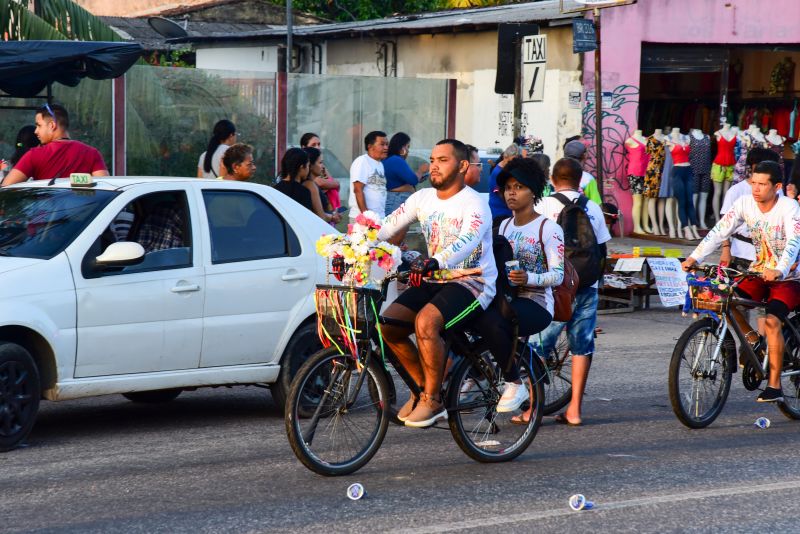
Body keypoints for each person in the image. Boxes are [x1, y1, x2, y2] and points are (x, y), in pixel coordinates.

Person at [378, 139, 497, 428]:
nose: (434, 164)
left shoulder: (475, 203)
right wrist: (351, 244)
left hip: (473, 282)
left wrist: (436, 260)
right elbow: (386, 227)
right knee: (388, 326)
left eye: (443, 160)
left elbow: (466, 241)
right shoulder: (422, 198)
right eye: (432, 159)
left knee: (426, 322)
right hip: (435, 278)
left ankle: (433, 400)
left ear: (462, 166)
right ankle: (421, 390)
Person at [682, 161, 800, 403]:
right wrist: (695, 256)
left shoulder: (789, 208)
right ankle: (754, 341)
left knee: (772, 320)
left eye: (762, 184)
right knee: (727, 301)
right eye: (753, 183)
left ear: (776, 186)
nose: (755, 189)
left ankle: (775, 385)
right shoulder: (745, 203)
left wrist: (779, 269)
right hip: (758, 271)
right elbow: (720, 230)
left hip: (789, 276)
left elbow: (794, 242)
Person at [472, 157, 564, 413]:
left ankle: (514, 382)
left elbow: (557, 275)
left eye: (518, 187)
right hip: (506, 298)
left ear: (533, 190)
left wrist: (529, 279)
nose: (511, 192)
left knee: (492, 321)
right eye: (508, 187)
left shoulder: (548, 228)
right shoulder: (504, 225)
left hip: (537, 303)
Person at [532, 157, 611, 426]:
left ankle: (532, 409)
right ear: (581, 181)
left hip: (554, 287)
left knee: (539, 346)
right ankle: (574, 410)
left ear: (553, 180)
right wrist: (593, 281)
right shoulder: (593, 208)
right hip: (586, 284)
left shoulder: (542, 205)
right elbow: (602, 251)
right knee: (582, 347)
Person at [2, 103, 108, 185]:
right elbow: (105, 186)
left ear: (52, 125)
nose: (36, 131)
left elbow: (6, 188)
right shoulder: (92, 154)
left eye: (39, 125)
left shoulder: (34, 155)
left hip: (46, 213)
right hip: (86, 213)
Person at [719, 148, 782, 272]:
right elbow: (724, 224)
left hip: (770, 256)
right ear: (754, 166)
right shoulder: (736, 191)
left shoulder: (776, 189)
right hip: (742, 253)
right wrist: (726, 250)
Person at [348, 130, 388, 220]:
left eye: (387, 144)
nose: (386, 148)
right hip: (363, 219)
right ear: (370, 146)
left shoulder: (380, 164)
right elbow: (358, 190)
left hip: (378, 217)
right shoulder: (362, 161)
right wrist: (366, 216)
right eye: (382, 144)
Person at [384, 132, 424, 214]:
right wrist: (421, 170)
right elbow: (413, 180)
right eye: (407, 147)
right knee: (397, 226)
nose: (408, 150)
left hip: (391, 200)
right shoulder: (396, 160)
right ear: (402, 147)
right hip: (395, 201)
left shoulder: (388, 159)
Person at [301, 133, 341, 211]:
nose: (317, 147)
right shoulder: (306, 168)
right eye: (313, 145)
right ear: (303, 147)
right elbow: (320, 183)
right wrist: (336, 184)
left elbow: (332, 183)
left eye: (319, 144)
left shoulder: (320, 165)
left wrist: (333, 184)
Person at [303, 147, 341, 224]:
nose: (323, 167)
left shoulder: (312, 184)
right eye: (320, 163)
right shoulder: (311, 185)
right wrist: (332, 217)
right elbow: (320, 216)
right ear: (311, 165)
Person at [488, 144, 520, 226]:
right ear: (505, 157)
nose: (513, 164)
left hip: (507, 212)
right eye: (511, 161)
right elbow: (500, 193)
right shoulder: (497, 172)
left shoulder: (506, 169)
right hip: (499, 212)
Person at [563, 140, 602, 205]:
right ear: (584, 156)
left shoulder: (558, 175)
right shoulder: (588, 179)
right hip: (581, 214)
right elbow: (597, 205)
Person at [274, 148, 313, 212]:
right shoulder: (304, 192)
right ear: (301, 167)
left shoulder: (275, 189)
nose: (309, 169)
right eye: (308, 165)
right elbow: (306, 218)